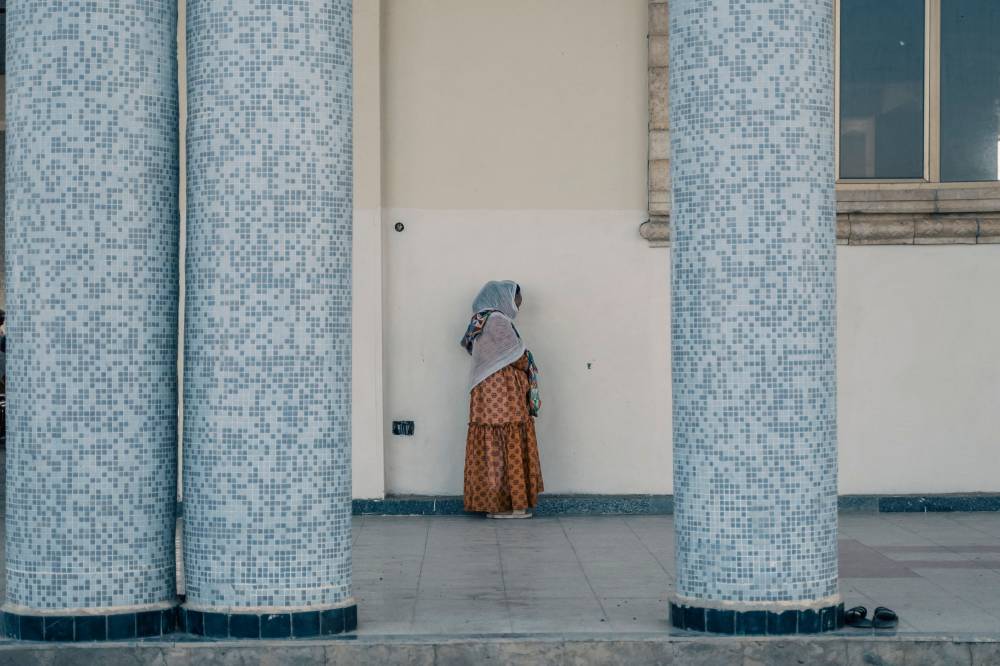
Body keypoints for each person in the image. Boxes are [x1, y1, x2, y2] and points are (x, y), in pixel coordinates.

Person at [460, 281, 543, 518]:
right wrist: (529, 362)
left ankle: (497, 504)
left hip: (486, 391)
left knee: (493, 444)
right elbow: (516, 355)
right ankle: (515, 506)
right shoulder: (497, 321)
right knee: (511, 439)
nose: (519, 304)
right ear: (502, 298)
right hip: (503, 391)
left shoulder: (481, 319)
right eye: (516, 298)